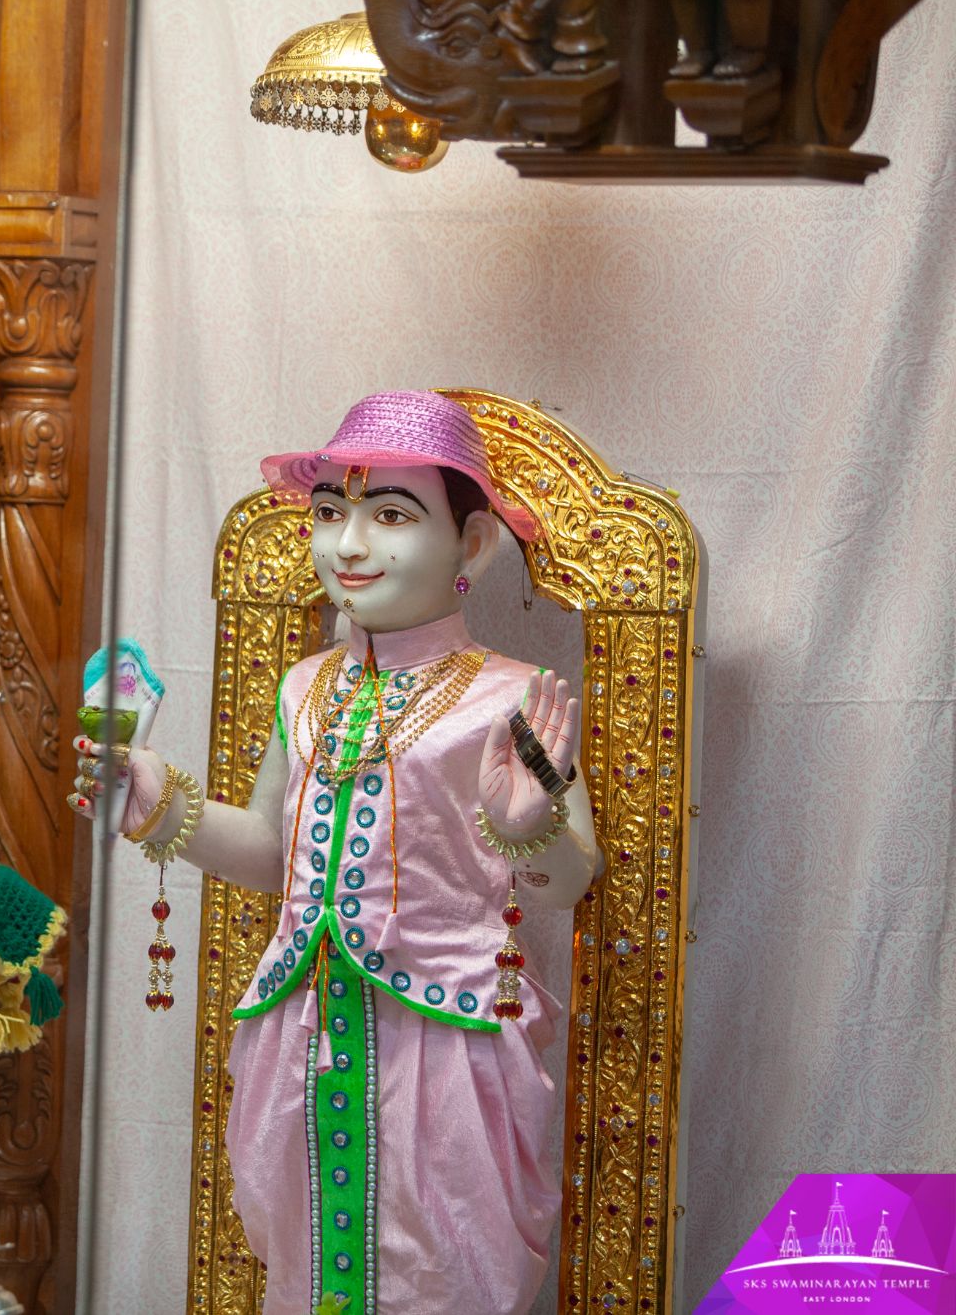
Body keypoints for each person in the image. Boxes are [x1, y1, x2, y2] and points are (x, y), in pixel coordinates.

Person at [71, 392, 603, 1315]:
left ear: (472, 546)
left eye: (391, 516)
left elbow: (569, 881)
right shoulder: (305, 687)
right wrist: (161, 806)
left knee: (446, 1277)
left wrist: (527, 829)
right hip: (303, 1029)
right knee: (304, 1274)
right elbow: (276, 852)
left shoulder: (512, 698)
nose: (349, 546)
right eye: (330, 514)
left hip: (446, 1040)